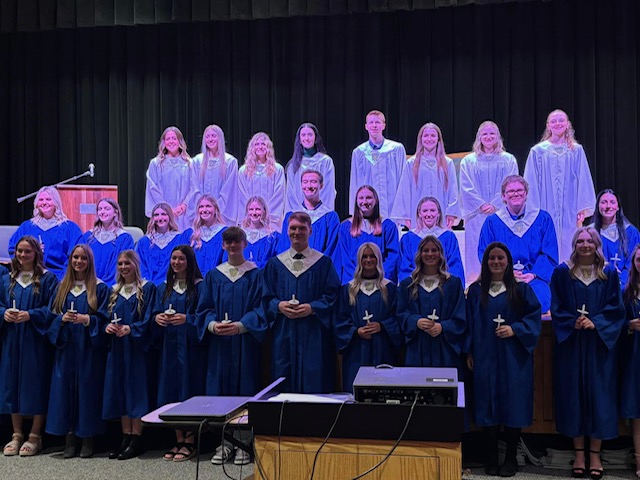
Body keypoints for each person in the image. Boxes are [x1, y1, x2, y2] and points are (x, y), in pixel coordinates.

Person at [550, 227, 625, 480]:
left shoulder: (609, 274)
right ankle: (579, 453)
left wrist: (598, 323)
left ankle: (595, 454)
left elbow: (617, 308)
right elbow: (557, 305)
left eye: (589, 241)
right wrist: (571, 321)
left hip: (599, 346)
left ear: (596, 245)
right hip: (572, 344)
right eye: (580, 241)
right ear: (574, 245)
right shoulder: (563, 272)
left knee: (598, 396)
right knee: (574, 396)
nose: (585, 245)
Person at [465, 242, 541, 477]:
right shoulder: (476, 291)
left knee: (512, 405)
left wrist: (515, 329)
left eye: (500, 258)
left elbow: (534, 316)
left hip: (512, 357)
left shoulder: (521, 289)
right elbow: (469, 323)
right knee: (487, 404)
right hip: (485, 355)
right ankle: (490, 457)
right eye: (492, 258)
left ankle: (510, 458)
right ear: (486, 262)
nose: (496, 262)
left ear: (508, 262)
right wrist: (469, 351)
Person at [196, 227, 267, 465]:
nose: (233, 246)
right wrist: (213, 325)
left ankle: (244, 442)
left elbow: (261, 309)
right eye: (229, 242)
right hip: (221, 345)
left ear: (245, 244)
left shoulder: (256, 274)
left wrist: (242, 326)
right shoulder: (215, 276)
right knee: (221, 392)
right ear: (223, 246)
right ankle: (225, 443)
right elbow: (203, 309)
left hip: (245, 343)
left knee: (246, 390)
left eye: (237, 242)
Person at [263, 212, 341, 393]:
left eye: (301, 228)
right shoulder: (275, 264)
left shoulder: (323, 263)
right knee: (282, 379)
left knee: (314, 377)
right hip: (283, 331)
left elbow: (333, 294)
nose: (296, 232)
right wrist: (278, 305)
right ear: (287, 231)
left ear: (310, 231)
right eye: (292, 228)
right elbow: (265, 296)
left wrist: (312, 307)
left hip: (313, 330)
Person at [46, 244, 110, 459]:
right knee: (64, 392)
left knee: (86, 392)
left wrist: (88, 320)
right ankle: (69, 438)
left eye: (83, 258)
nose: (79, 261)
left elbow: (104, 319)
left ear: (89, 261)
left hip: (87, 350)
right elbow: (50, 317)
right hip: (66, 348)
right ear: (70, 260)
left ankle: (87, 438)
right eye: (75, 257)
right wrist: (61, 320)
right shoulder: (62, 287)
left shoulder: (99, 288)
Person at [0, 236, 58, 457]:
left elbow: (53, 308)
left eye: (27, 252)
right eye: (19, 251)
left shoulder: (47, 279)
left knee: (35, 384)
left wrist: (31, 315)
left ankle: (35, 434)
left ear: (36, 254)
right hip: (12, 338)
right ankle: (16, 434)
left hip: (35, 339)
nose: (22, 255)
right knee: (11, 383)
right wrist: (3, 313)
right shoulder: (7, 279)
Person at [152, 245, 204, 462]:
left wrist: (188, 319)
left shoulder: (199, 286)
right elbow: (154, 312)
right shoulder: (164, 287)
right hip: (169, 347)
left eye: (181, 259)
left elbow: (204, 314)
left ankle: (190, 440)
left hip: (190, 349)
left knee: (188, 388)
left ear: (189, 262)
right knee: (171, 389)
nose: (176, 262)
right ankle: (178, 437)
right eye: (174, 258)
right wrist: (158, 318)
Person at [103, 250, 156, 460]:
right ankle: (126, 436)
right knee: (121, 391)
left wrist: (132, 329)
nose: (123, 267)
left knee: (136, 391)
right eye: (120, 264)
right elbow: (104, 317)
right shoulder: (114, 291)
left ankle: (137, 438)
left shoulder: (146, 288)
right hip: (117, 349)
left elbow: (150, 318)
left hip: (136, 349)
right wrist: (108, 326)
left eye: (127, 263)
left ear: (135, 264)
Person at [523, 109, 596, 262]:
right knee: (546, 238)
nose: (557, 124)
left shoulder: (576, 150)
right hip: (545, 205)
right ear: (548, 126)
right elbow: (531, 181)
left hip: (570, 208)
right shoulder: (538, 151)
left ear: (567, 124)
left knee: (569, 240)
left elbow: (583, 178)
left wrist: (582, 207)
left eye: (561, 120)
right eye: (554, 121)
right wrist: (533, 210)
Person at [478, 175, 558, 313]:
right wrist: (506, 273)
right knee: (494, 305)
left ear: (526, 194)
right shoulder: (492, 222)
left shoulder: (542, 218)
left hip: (534, 277)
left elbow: (549, 252)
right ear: (503, 196)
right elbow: (485, 253)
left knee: (541, 302)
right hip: (502, 277)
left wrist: (533, 274)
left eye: (520, 190)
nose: (516, 194)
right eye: (511, 191)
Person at [334, 243, 403, 392]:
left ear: (378, 259)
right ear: (359, 260)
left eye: (372, 256)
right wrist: (355, 331)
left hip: (383, 349)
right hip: (356, 351)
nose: (368, 260)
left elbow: (398, 317)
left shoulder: (390, 289)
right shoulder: (348, 290)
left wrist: (382, 326)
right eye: (364, 257)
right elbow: (340, 319)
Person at [459, 121, 519, 284]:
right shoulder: (468, 161)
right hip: (476, 214)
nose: (488, 136)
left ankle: (504, 281)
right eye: (484, 134)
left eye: (492, 133)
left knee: (500, 247)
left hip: (500, 214)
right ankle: (474, 284)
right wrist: (481, 205)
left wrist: (496, 204)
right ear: (479, 137)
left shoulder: (508, 160)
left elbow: (512, 184)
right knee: (475, 249)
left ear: (498, 137)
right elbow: (466, 187)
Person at [397, 235, 466, 372]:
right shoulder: (408, 284)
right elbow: (400, 313)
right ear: (419, 254)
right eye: (426, 250)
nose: (430, 254)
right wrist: (416, 321)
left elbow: (461, 316)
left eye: (434, 250)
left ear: (441, 254)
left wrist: (443, 327)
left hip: (445, 350)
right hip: (417, 348)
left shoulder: (453, 284)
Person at [391, 122, 460, 228]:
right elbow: (404, 190)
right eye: (426, 136)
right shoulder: (411, 164)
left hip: (441, 215)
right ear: (421, 139)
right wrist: (406, 216)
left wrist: (451, 212)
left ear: (438, 139)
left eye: (433, 135)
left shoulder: (447, 163)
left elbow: (453, 190)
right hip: (417, 216)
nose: (429, 139)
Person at [9, 186, 82, 280]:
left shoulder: (70, 228)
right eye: (41, 200)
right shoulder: (27, 226)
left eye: (48, 199)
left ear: (56, 202)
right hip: (30, 275)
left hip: (58, 276)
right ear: (36, 203)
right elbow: (13, 248)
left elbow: (76, 256)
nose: (44, 203)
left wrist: (65, 277)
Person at [349, 110, 407, 219]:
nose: (374, 126)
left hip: (393, 207)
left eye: (378, 122)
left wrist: (403, 211)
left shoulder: (396, 149)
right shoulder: (359, 152)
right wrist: (354, 212)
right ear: (366, 126)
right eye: (371, 123)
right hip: (366, 208)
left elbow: (403, 181)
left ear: (384, 125)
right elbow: (355, 183)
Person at [338, 185, 399, 284]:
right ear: (356, 201)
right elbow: (344, 258)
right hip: (354, 283)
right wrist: (356, 279)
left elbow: (393, 257)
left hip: (381, 282)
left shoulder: (388, 227)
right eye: (361, 198)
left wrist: (381, 277)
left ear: (376, 200)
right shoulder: (345, 227)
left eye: (369, 198)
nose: (365, 202)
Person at [145, 126, 199, 231]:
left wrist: (184, 205)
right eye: (168, 139)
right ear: (163, 142)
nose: (171, 141)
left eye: (174, 138)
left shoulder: (189, 163)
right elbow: (153, 188)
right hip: (163, 214)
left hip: (184, 214)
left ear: (180, 141)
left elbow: (194, 188)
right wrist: (166, 209)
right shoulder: (156, 164)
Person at [277, 169, 340, 261]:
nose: (309, 186)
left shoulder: (330, 217)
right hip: (293, 269)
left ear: (321, 185)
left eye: (313, 182)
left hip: (319, 271)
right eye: (305, 182)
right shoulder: (290, 216)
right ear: (301, 185)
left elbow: (332, 250)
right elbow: (284, 247)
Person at [399, 197, 464, 284]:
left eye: (432, 210)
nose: (429, 214)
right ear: (419, 213)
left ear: (439, 213)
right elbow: (404, 267)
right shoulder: (408, 238)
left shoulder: (449, 237)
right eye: (425, 211)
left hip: (443, 287)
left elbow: (455, 266)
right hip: (415, 286)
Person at [192, 124, 240, 225]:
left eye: (214, 136)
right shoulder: (197, 161)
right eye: (207, 136)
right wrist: (204, 207)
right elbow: (194, 187)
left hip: (223, 213)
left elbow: (229, 190)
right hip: (202, 213)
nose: (210, 139)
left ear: (220, 138)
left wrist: (216, 209)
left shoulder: (230, 162)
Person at [592, 189, 640, 288]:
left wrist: (621, 282)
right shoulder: (590, 232)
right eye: (604, 202)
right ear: (598, 206)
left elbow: (633, 263)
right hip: (598, 283)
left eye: (612, 202)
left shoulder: (631, 232)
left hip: (626, 286)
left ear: (618, 207)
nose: (608, 206)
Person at [80, 198, 135, 285]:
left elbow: (122, 266)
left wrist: (106, 285)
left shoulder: (124, 239)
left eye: (107, 209)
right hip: (88, 284)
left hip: (114, 285)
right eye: (99, 209)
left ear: (115, 212)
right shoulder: (88, 237)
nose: (102, 212)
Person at [238, 132, 285, 229]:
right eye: (256, 144)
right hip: (250, 220)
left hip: (271, 221)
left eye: (263, 144)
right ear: (252, 148)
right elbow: (242, 196)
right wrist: (252, 212)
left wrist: (266, 215)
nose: (260, 147)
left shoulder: (277, 170)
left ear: (268, 147)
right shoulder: (244, 171)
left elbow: (279, 195)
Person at [285, 122, 336, 211]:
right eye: (303, 135)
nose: (307, 138)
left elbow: (328, 190)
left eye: (310, 135)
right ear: (300, 140)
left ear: (315, 138)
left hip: (320, 214)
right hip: (299, 215)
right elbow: (291, 195)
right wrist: (300, 212)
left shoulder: (325, 162)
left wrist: (318, 211)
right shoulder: (293, 165)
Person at [621, 245, 640, 479]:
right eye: (638, 259)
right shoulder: (627, 293)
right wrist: (629, 326)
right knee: (638, 412)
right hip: (635, 357)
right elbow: (619, 323)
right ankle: (639, 461)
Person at [135, 203, 186, 285]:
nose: (160, 218)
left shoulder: (179, 239)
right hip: (148, 286)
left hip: (172, 285)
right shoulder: (144, 242)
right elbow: (141, 266)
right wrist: (148, 285)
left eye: (164, 214)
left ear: (170, 216)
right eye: (156, 215)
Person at [183, 194, 227, 276]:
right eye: (201, 207)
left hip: (216, 282)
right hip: (193, 283)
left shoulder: (224, 233)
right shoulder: (190, 233)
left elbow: (227, 261)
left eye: (208, 206)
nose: (204, 209)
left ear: (215, 209)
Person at [238, 196, 278, 269]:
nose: (254, 213)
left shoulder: (272, 237)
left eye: (258, 209)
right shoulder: (239, 235)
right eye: (251, 209)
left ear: (264, 211)